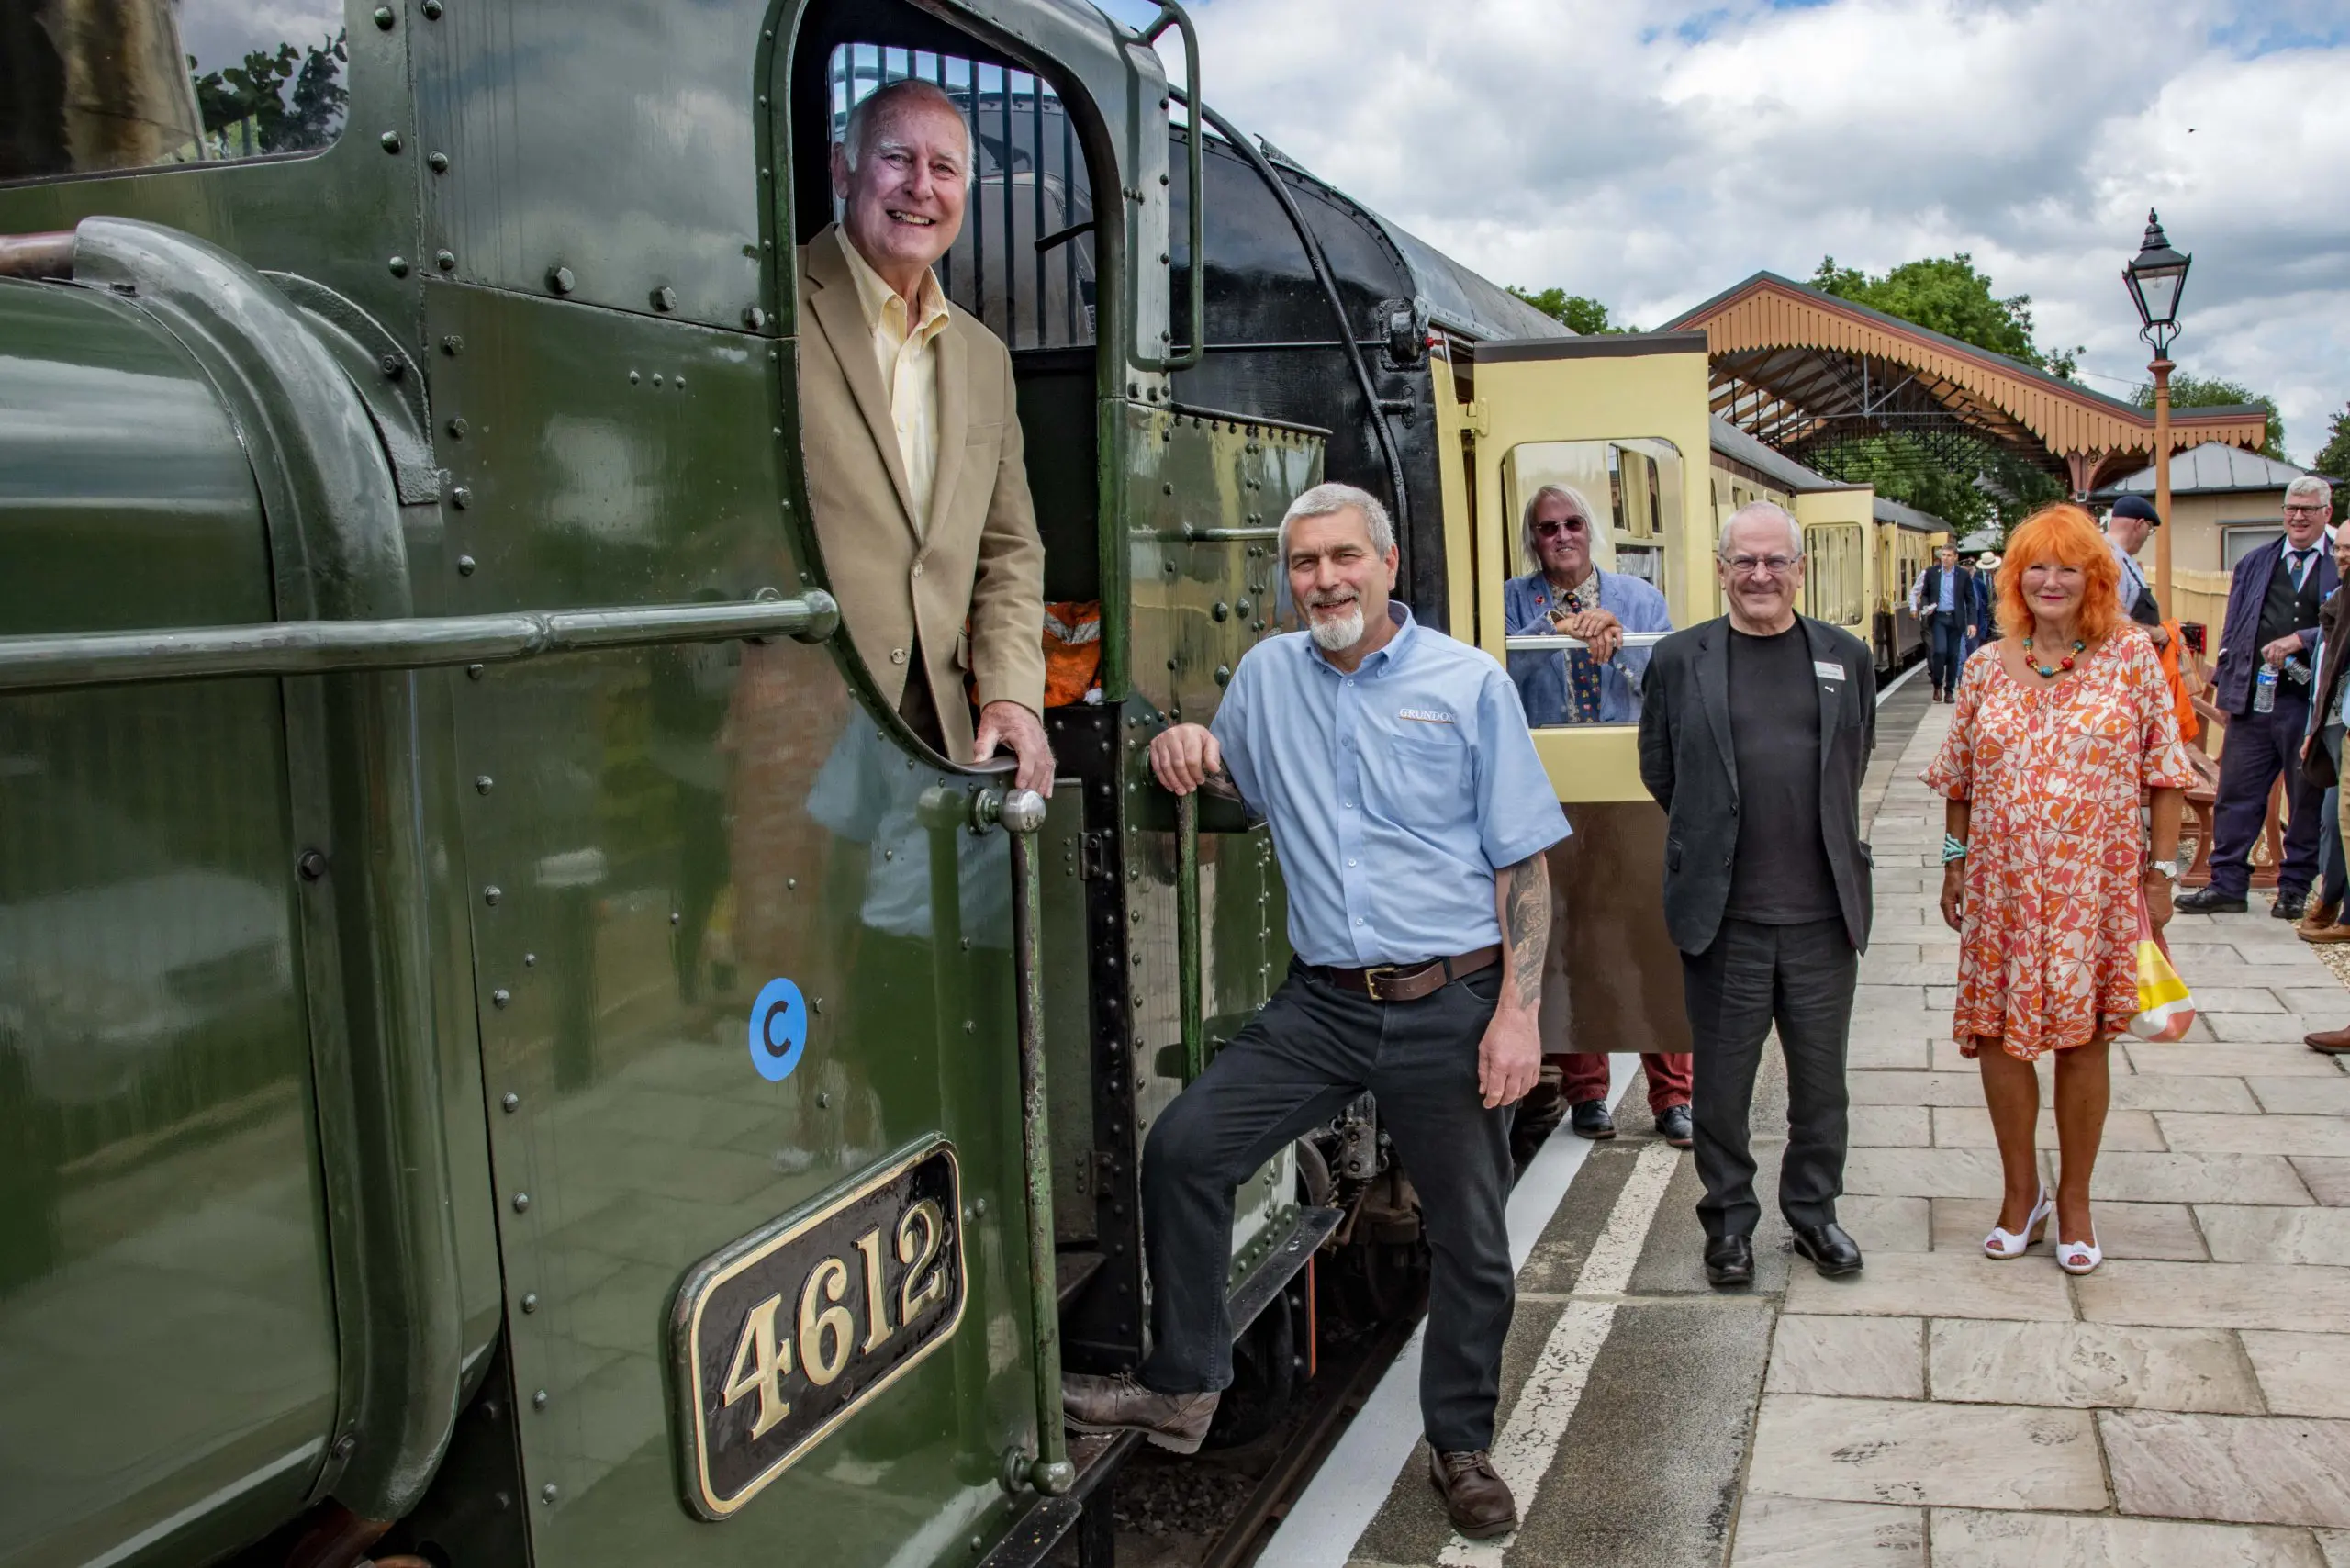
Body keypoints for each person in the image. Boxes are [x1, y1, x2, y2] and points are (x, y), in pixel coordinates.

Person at [1063, 483, 1567, 1540]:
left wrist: (1515, 1015)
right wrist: (1184, 746)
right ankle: (1184, 1384)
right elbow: (1238, 782)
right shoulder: (1263, 676)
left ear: (1388, 565)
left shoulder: (1466, 683)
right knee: (1187, 1148)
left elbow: (1522, 864)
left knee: (1470, 1238)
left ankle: (1461, 1443)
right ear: (1285, 579)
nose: (1324, 580)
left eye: (1343, 557)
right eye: (1303, 564)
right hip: (1324, 1003)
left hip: (1449, 998)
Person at [1923, 504, 2193, 1274]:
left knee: (2084, 1040)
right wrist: (1954, 863)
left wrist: (2162, 876)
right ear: (2015, 580)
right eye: (2036, 567)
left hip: (2096, 889)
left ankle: (2075, 1200)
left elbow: (2164, 775)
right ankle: (2021, 1195)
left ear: (2095, 579)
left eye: (2067, 567)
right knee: (2000, 1040)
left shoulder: (2132, 661)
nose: (2051, 581)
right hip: (2002, 887)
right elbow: (1961, 780)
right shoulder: (1981, 666)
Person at [1637, 502, 1875, 1289]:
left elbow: (1855, 757)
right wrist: (1714, 835)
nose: (1761, 576)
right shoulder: (1679, 660)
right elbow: (1661, 769)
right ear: (1722, 567)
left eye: (1776, 562)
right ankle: (1729, 1225)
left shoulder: (1846, 655)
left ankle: (1813, 1217)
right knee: (1723, 1090)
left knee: (1821, 1087)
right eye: (1746, 562)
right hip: (1725, 919)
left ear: (1799, 569)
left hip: (1821, 918)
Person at [798, 78, 1053, 793]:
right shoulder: (770, 312)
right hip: (793, 723)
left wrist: (1008, 693)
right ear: (842, 169)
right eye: (896, 159)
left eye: (944, 169)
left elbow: (1010, 549)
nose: (921, 187)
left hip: (937, 731)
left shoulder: (985, 357)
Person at [1501, 483, 1691, 1146]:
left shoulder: (1640, 600)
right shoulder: (1510, 603)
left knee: (1649, 938)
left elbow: (1669, 691)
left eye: (1572, 523)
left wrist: (1620, 645)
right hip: (1550, 788)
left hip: (1631, 786)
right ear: (1534, 539)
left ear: (1591, 531)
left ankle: (1674, 1097)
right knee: (1568, 938)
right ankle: (1587, 1094)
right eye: (1547, 527)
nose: (1561, 536)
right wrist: (1550, 633)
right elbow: (1497, 687)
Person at [2175, 476, 2339, 918]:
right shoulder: (2256, 561)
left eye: (2308, 508)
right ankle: (2226, 882)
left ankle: (2294, 888)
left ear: (2327, 512)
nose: (2298, 516)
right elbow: (2234, 628)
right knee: (2236, 791)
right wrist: (2229, 690)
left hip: (2309, 702)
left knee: (2304, 797)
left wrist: (2301, 639)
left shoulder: (2339, 562)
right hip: (2255, 696)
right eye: (2291, 508)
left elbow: (2342, 623)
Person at [2297, 512, 2350, 944]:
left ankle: (2338, 903)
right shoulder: (2339, 598)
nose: (2344, 556)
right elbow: (2324, 671)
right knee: (2333, 820)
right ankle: (2333, 896)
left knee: (2339, 818)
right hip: (2332, 722)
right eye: (2341, 549)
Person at [1911, 544, 1987, 702]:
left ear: (1955, 557)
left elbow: (1971, 600)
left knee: (1953, 655)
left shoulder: (1962, 575)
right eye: (1943, 555)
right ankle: (1937, 684)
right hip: (1938, 618)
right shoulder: (1932, 573)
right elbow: (1924, 593)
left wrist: (1972, 623)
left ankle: (1949, 690)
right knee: (1939, 651)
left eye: (1948, 556)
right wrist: (1926, 606)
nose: (1944, 558)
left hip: (1956, 619)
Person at [2105, 494, 2170, 648]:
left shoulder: (2124, 558)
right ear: (2139, 524)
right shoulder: (2107, 559)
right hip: (2117, 658)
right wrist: (2153, 633)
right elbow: (2107, 617)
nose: (2147, 537)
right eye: (2149, 529)